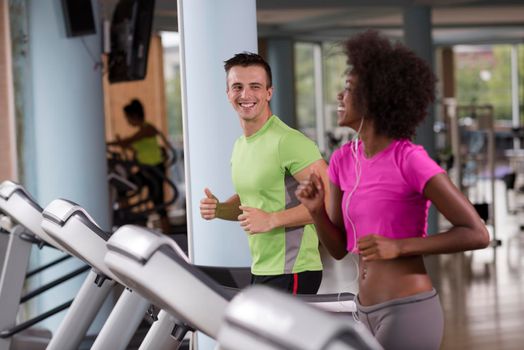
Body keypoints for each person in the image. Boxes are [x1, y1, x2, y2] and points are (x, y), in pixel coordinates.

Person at [295, 30, 490, 349]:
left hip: (408, 309)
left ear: (374, 98)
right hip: (362, 311)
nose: (339, 97)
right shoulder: (343, 159)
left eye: (349, 89)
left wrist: (400, 247)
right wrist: (316, 211)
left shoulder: (409, 160)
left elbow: (477, 233)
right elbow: (340, 248)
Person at [199, 52, 328, 295]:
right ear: (228, 94)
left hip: (294, 271)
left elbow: (331, 202)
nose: (245, 95)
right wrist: (219, 209)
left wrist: (272, 219)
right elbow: (255, 203)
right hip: (262, 268)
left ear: (269, 92)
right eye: (237, 87)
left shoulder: (289, 142)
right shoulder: (241, 145)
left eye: (255, 86)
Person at [107, 98, 173, 233]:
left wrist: (110, 144)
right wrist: (123, 145)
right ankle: (127, 216)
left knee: (159, 206)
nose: (127, 121)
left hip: (155, 170)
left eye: (127, 118)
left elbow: (132, 140)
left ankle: (169, 233)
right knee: (122, 188)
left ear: (135, 116)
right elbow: (135, 147)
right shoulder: (141, 132)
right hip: (145, 170)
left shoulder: (148, 128)